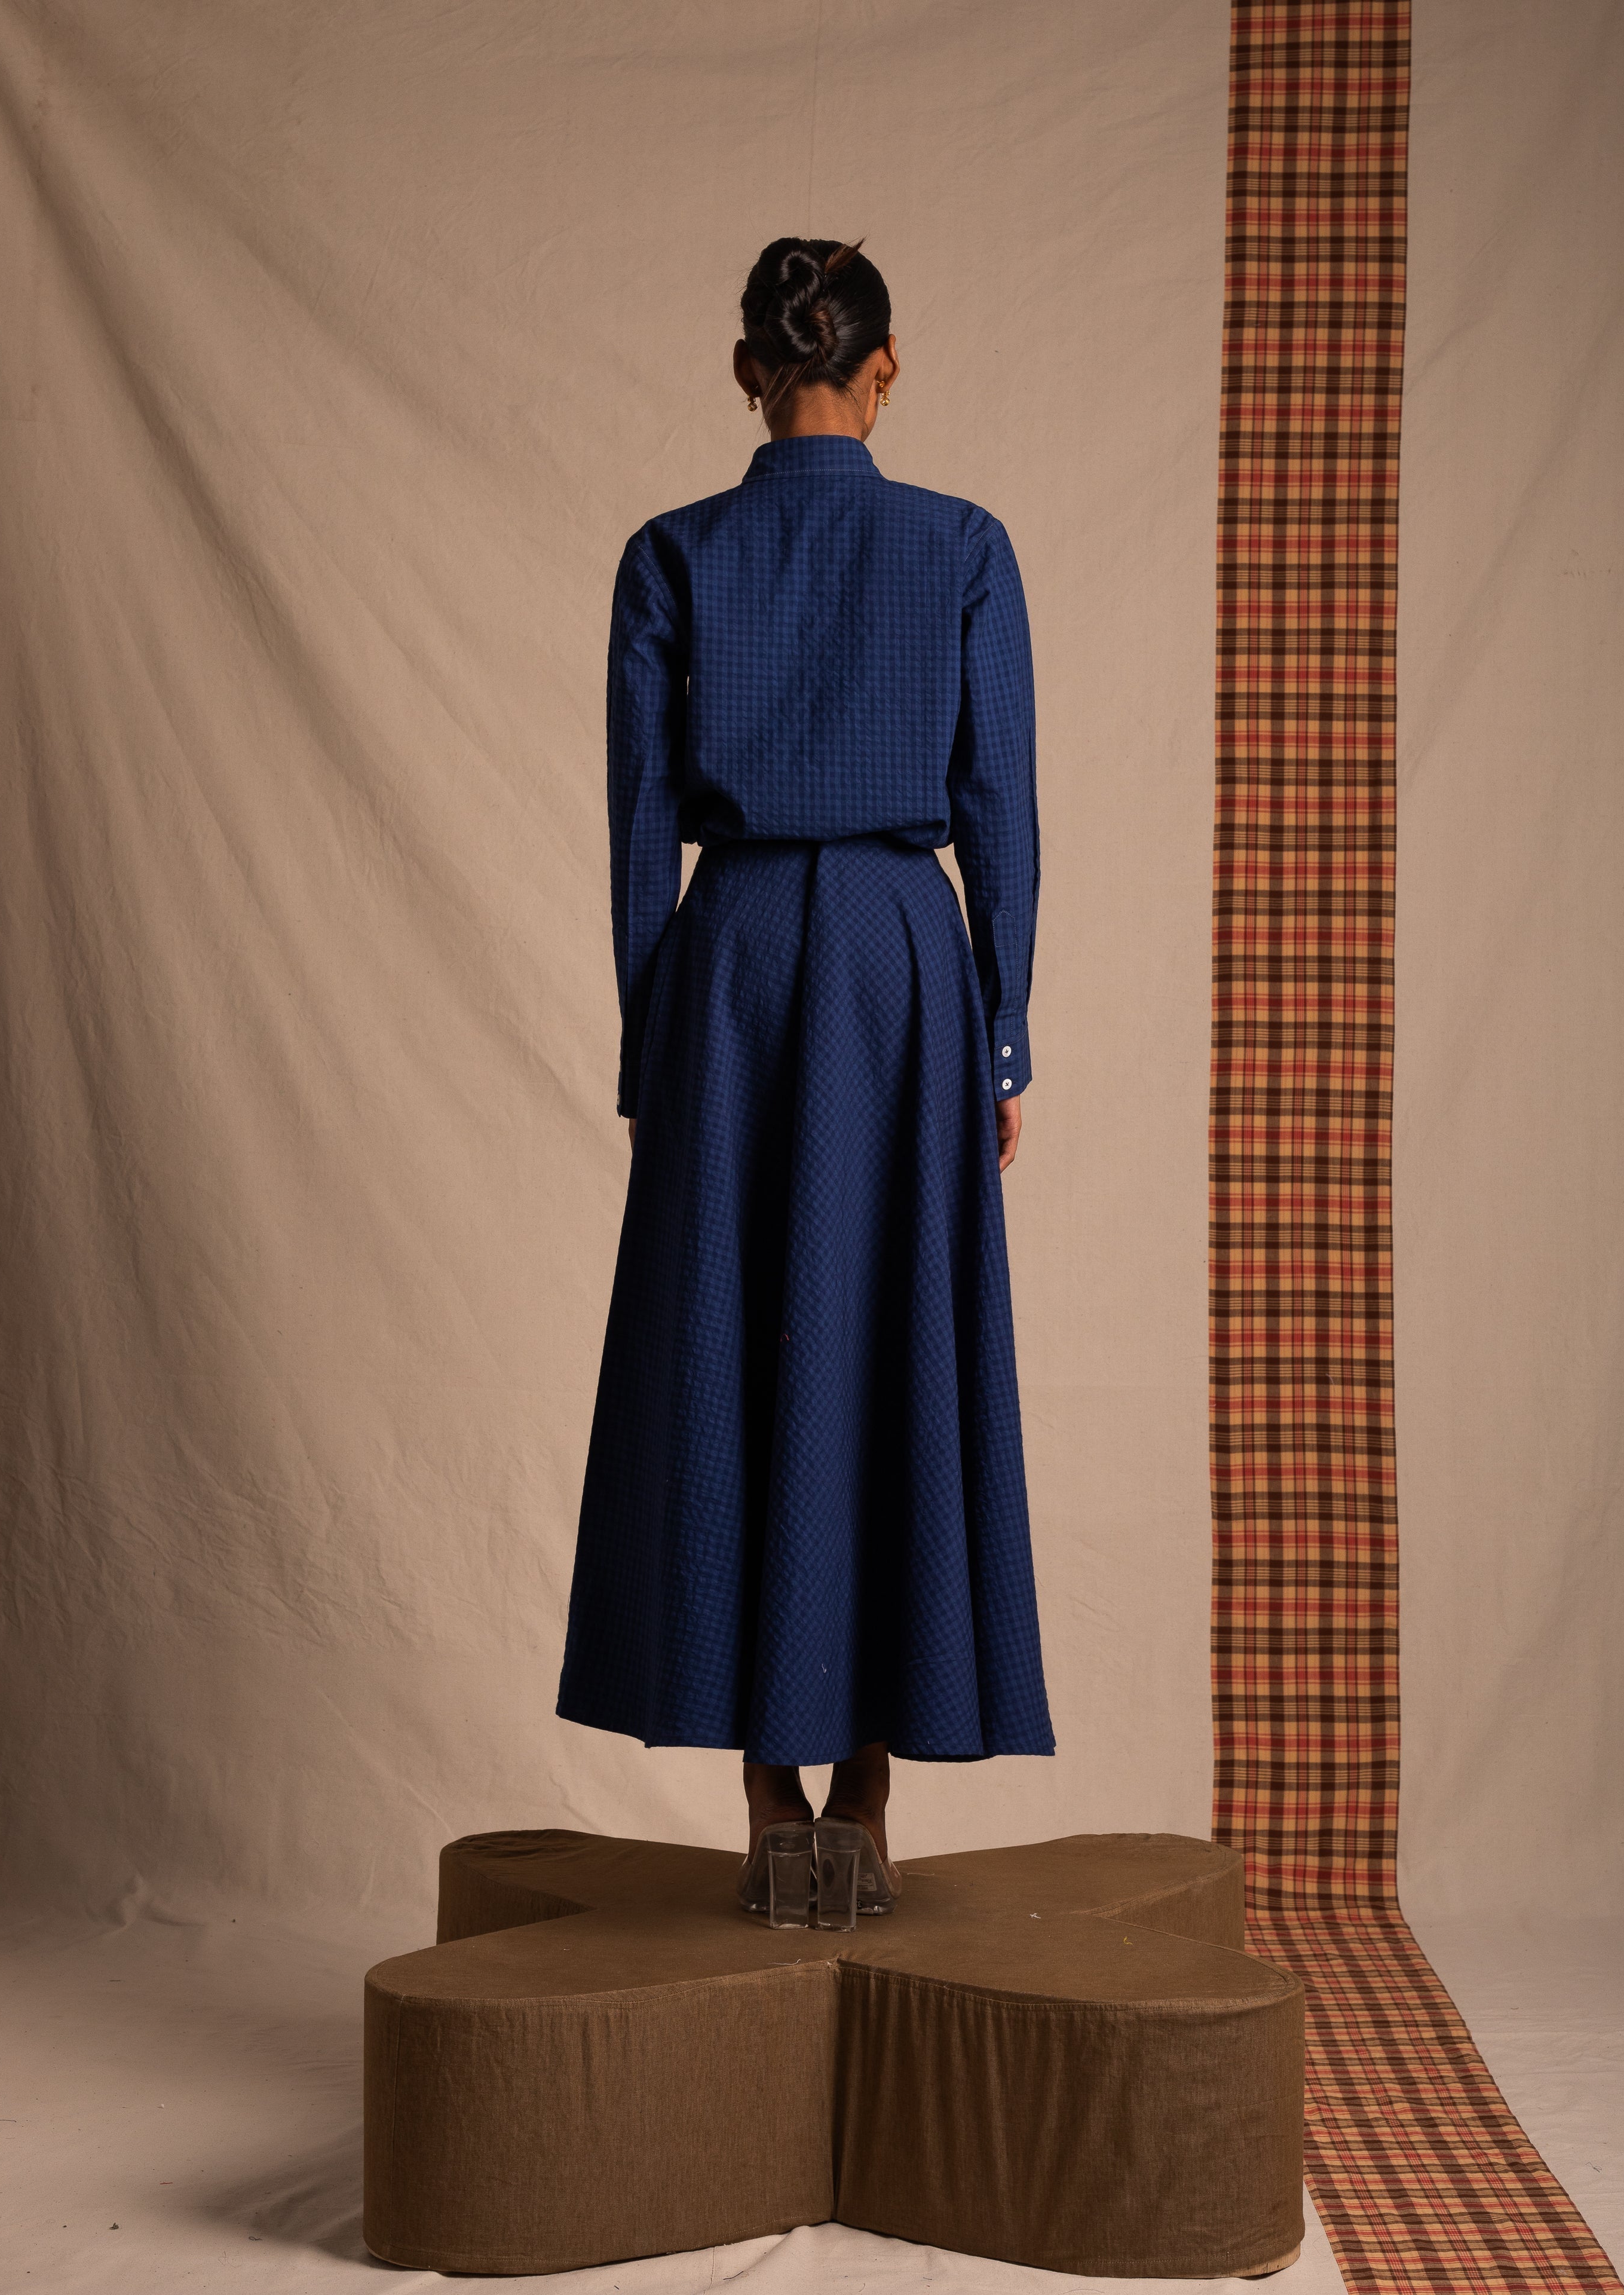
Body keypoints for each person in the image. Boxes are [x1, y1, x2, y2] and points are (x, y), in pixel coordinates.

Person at [555, 236, 1054, 1917]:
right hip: (909, 965)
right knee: (895, 1332)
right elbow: (1002, 813)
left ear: (746, 367)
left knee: (729, 1341)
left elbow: (638, 829)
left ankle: (768, 1803)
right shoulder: (964, 547)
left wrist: (653, 1037)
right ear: (887, 366)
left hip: (740, 960)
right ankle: (868, 1798)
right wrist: (1001, 1028)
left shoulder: (673, 555)